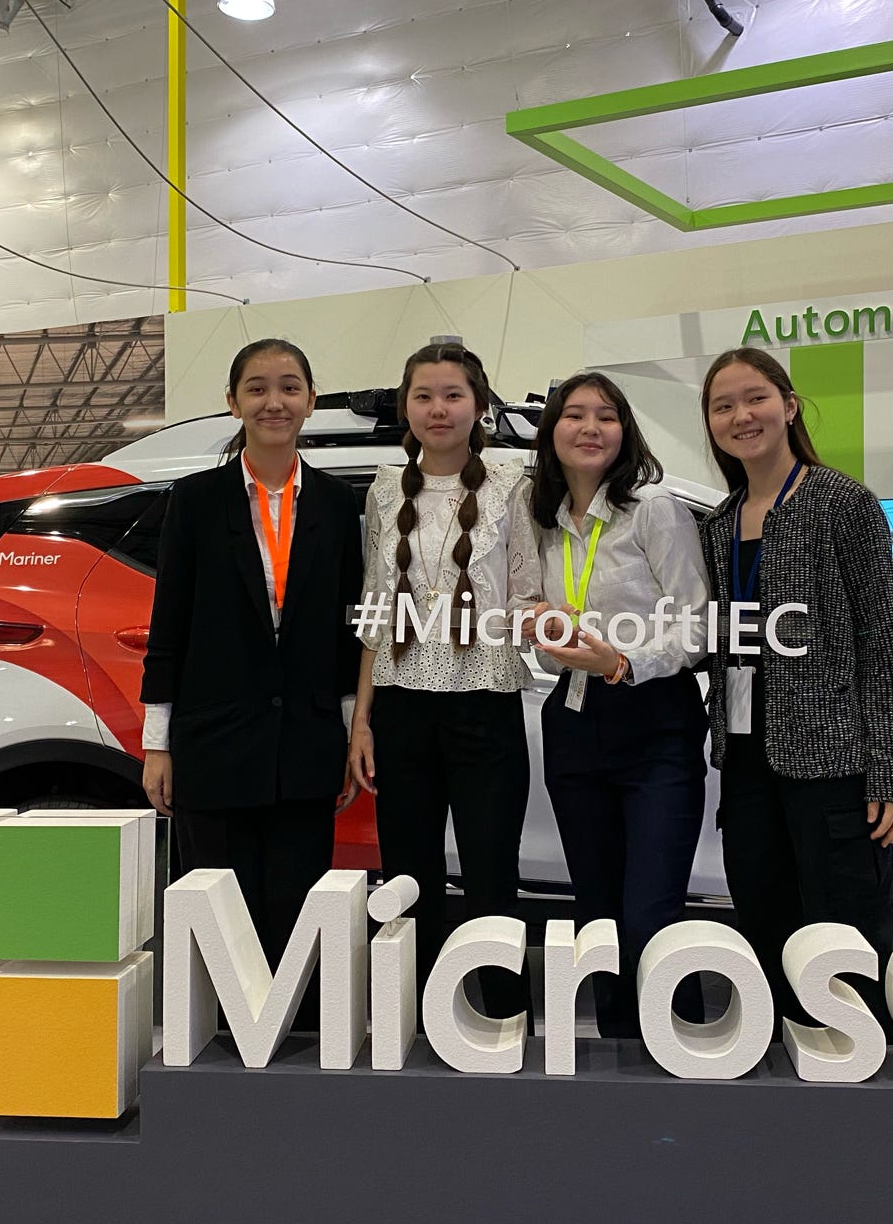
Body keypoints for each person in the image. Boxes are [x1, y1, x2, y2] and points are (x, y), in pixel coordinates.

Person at [698, 346, 893, 1024]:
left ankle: (865, 1079)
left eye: (755, 397)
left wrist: (892, 771)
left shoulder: (842, 503)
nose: (742, 415)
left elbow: (882, 642)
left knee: (847, 937)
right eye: (723, 405)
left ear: (789, 406)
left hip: (833, 764)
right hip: (744, 764)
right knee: (767, 928)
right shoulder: (717, 523)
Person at [141, 338, 363, 991]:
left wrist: (352, 730)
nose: (275, 401)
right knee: (217, 915)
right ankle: (215, 1059)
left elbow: (348, 629)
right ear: (233, 401)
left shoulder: (333, 503)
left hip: (306, 744)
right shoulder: (196, 501)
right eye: (259, 387)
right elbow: (169, 623)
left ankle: (288, 1049)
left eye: (290, 387)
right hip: (212, 746)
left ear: (311, 401)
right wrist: (159, 744)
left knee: (297, 919)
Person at [348, 342, 541, 1017]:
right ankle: (419, 1017)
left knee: (492, 878)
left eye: (453, 395)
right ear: (405, 406)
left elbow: (529, 590)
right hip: (400, 710)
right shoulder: (381, 487)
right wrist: (361, 721)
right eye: (424, 395)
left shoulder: (517, 481)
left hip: (485, 704)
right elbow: (377, 606)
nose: (439, 409)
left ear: (480, 404)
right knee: (408, 879)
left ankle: (500, 1018)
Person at [526, 373, 710, 1038]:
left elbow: (696, 627)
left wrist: (623, 661)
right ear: (552, 433)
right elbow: (546, 637)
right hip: (573, 722)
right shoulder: (541, 522)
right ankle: (619, 1070)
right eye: (573, 415)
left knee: (649, 918)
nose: (590, 427)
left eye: (606, 416)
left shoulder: (654, 509)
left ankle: (685, 1053)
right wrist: (546, 635)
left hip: (656, 721)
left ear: (625, 431)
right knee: (597, 920)